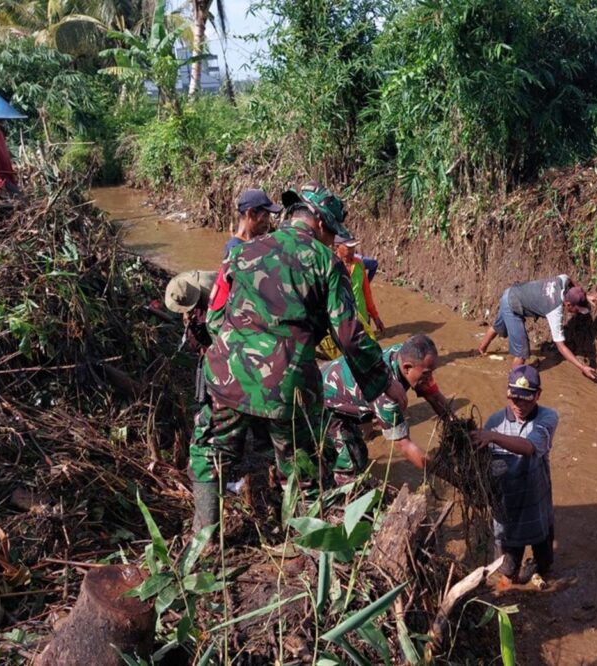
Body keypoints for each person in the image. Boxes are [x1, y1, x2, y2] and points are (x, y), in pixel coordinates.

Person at [189, 180, 406, 531]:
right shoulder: (326, 263)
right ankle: (307, 545)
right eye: (332, 233)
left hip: (227, 376)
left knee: (208, 452)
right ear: (321, 224)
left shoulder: (240, 252)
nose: (332, 241)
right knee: (303, 465)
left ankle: (206, 538)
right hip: (289, 386)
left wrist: (239, 355)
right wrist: (384, 382)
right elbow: (349, 336)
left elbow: (214, 318)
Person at [471, 365, 558, 581]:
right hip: (507, 509)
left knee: (546, 562)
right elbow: (490, 468)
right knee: (507, 570)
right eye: (514, 398)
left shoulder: (547, 418)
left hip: (537, 503)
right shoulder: (494, 422)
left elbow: (530, 448)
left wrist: (493, 437)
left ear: (538, 395)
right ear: (508, 393)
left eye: (526, 399)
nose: (519, 405)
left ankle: (536, 568)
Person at [322, 334, 451, 480]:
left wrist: (457, 428)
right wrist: (449, 476)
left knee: (358, 446)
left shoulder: (401, 354)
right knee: (353, 463)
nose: (430, 378)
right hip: (322, 402)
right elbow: (404, 446)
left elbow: (434, 397)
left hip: (342, 388)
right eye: (427, 374)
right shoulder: (385, 395)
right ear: (407, 368)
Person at [477, 275, 597, 379]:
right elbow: (561, 347)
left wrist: (585, 296)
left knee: (498, 326)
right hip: (513, 305)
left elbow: (569, 279)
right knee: (522, 352)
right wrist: (582, 367)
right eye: (576, 310)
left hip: (510, 292)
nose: (577, 313)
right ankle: (514, 378)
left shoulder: (561, 281)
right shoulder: (554, 311)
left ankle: (481, 350)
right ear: (567, 304)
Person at [164, 270, 218, 402]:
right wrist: (186, 314)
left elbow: (217, 329)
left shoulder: (209, 297)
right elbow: (185, 300)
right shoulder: (182, 283)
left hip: (218, 303)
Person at [335, 235, 385, 336]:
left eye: (353, 247)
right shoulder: (331, 266)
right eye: (348, 248)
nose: (352, 251)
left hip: (362, 317)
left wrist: (375, 316)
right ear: (337, 247)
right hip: (342, 322)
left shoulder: (359, 264)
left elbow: (366, 293)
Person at [224, 189, 282, 257]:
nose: (267, 222)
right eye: (265, 216)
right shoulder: (236, 249)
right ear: (251, 213)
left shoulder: (256, 243)